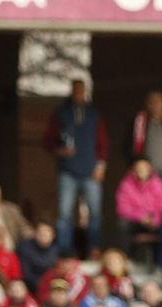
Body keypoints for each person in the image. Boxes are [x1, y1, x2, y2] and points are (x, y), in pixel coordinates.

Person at [45, 79, 108, 252]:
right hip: (68, 171)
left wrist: (101, 165)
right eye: (76, 91)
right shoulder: (61, 113)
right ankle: (65, 251)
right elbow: (48, 141)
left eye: (81, 91)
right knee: (65, 214)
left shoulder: (94, 114)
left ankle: (94, 248)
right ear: (71, 92)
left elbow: (103, 142)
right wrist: (60, 151)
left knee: (94, 214)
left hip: (91, 170)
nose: (79, 94)